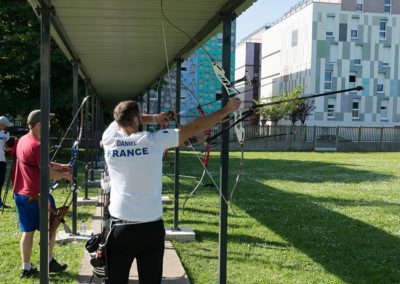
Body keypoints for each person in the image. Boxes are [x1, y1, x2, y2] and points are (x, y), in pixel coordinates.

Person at [102, 98, 241, 283]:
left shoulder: (108, 138)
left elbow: (124, 118)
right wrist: (227, 109)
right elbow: (195, 126)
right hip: (150, 228)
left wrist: (154, 118)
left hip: (120, 228)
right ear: (137, 119)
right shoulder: (154, 140)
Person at [13, 109, 73, 278]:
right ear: (39, 124)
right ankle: (49, 262)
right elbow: (47, 173)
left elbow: (39, 164)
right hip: (38, 196)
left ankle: (26, 268)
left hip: (21, 193)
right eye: (48, 122)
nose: (50, 125)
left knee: (28, 231)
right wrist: (65, 175)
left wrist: (61, 166)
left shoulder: (23, 140)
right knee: (51, 228)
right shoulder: (39, 145)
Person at [0, 116, 13, 208]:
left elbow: (6, 148)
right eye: (5, 125)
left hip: (2, 161)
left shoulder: (5, 134)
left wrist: (14, 146)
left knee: (0, 182)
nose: (6, 127)